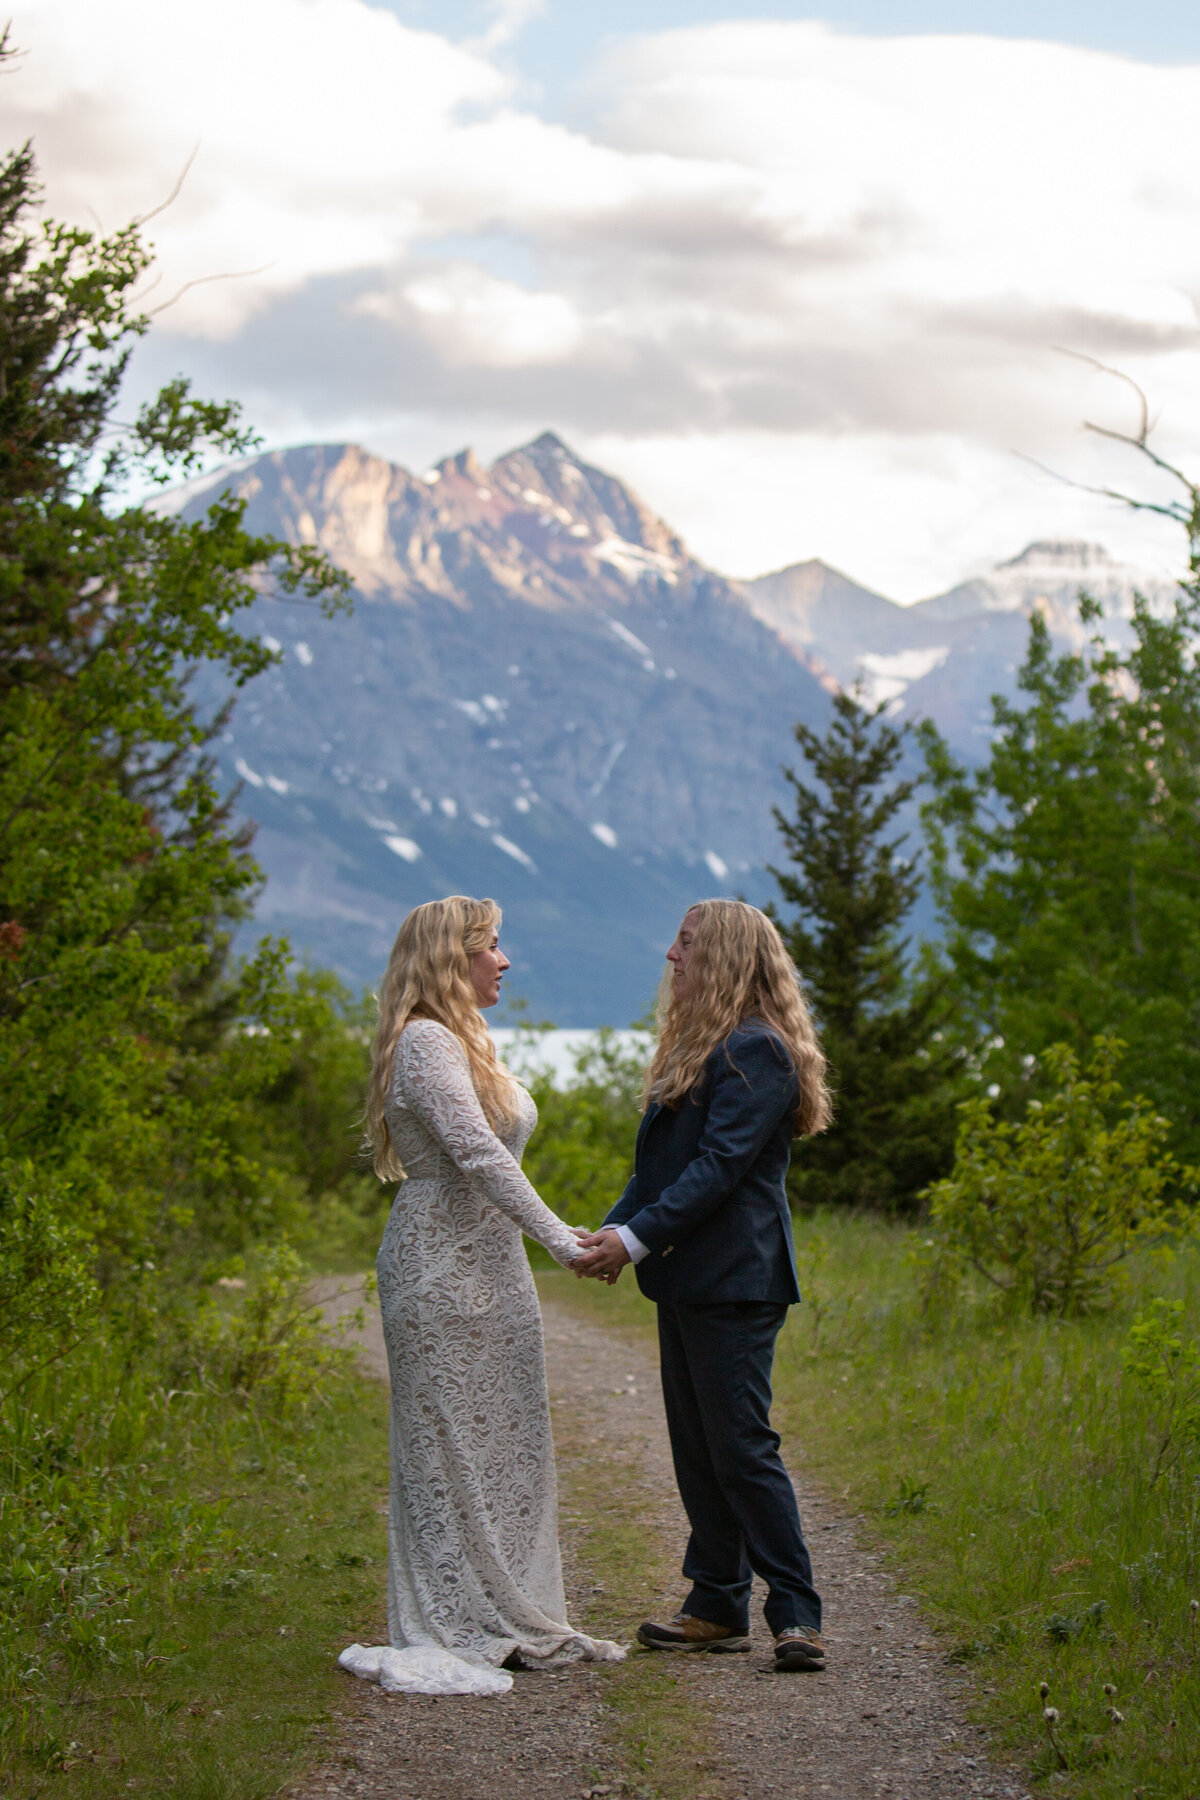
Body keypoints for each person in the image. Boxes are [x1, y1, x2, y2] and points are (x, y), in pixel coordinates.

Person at [343, 895, 623, 1698]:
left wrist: (543, 1241)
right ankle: (452, 1619)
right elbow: (477, 1156)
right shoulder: (427, 1041)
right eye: (491, 947)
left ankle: (507, 1609)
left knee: (508, 1439)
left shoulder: (465, 1040)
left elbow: (491, 1158)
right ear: (448, 957)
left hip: (494, 1265)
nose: (504, 961)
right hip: (441, 1266)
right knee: (450, 1446)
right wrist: (564, 1240)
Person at [574, 899, 831, 1674]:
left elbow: (716, 1172)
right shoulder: (700, 1045)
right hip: (687, 1275)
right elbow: (657, 1174)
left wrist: (635, 1235)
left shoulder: (760, 1051)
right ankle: (718, 1604)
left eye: (685, 944)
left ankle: (797, 1614)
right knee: (698, 1448)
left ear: (720, 955)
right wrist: (613, 1233)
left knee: (742, 1448)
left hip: (737, 1280)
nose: (671, 955)